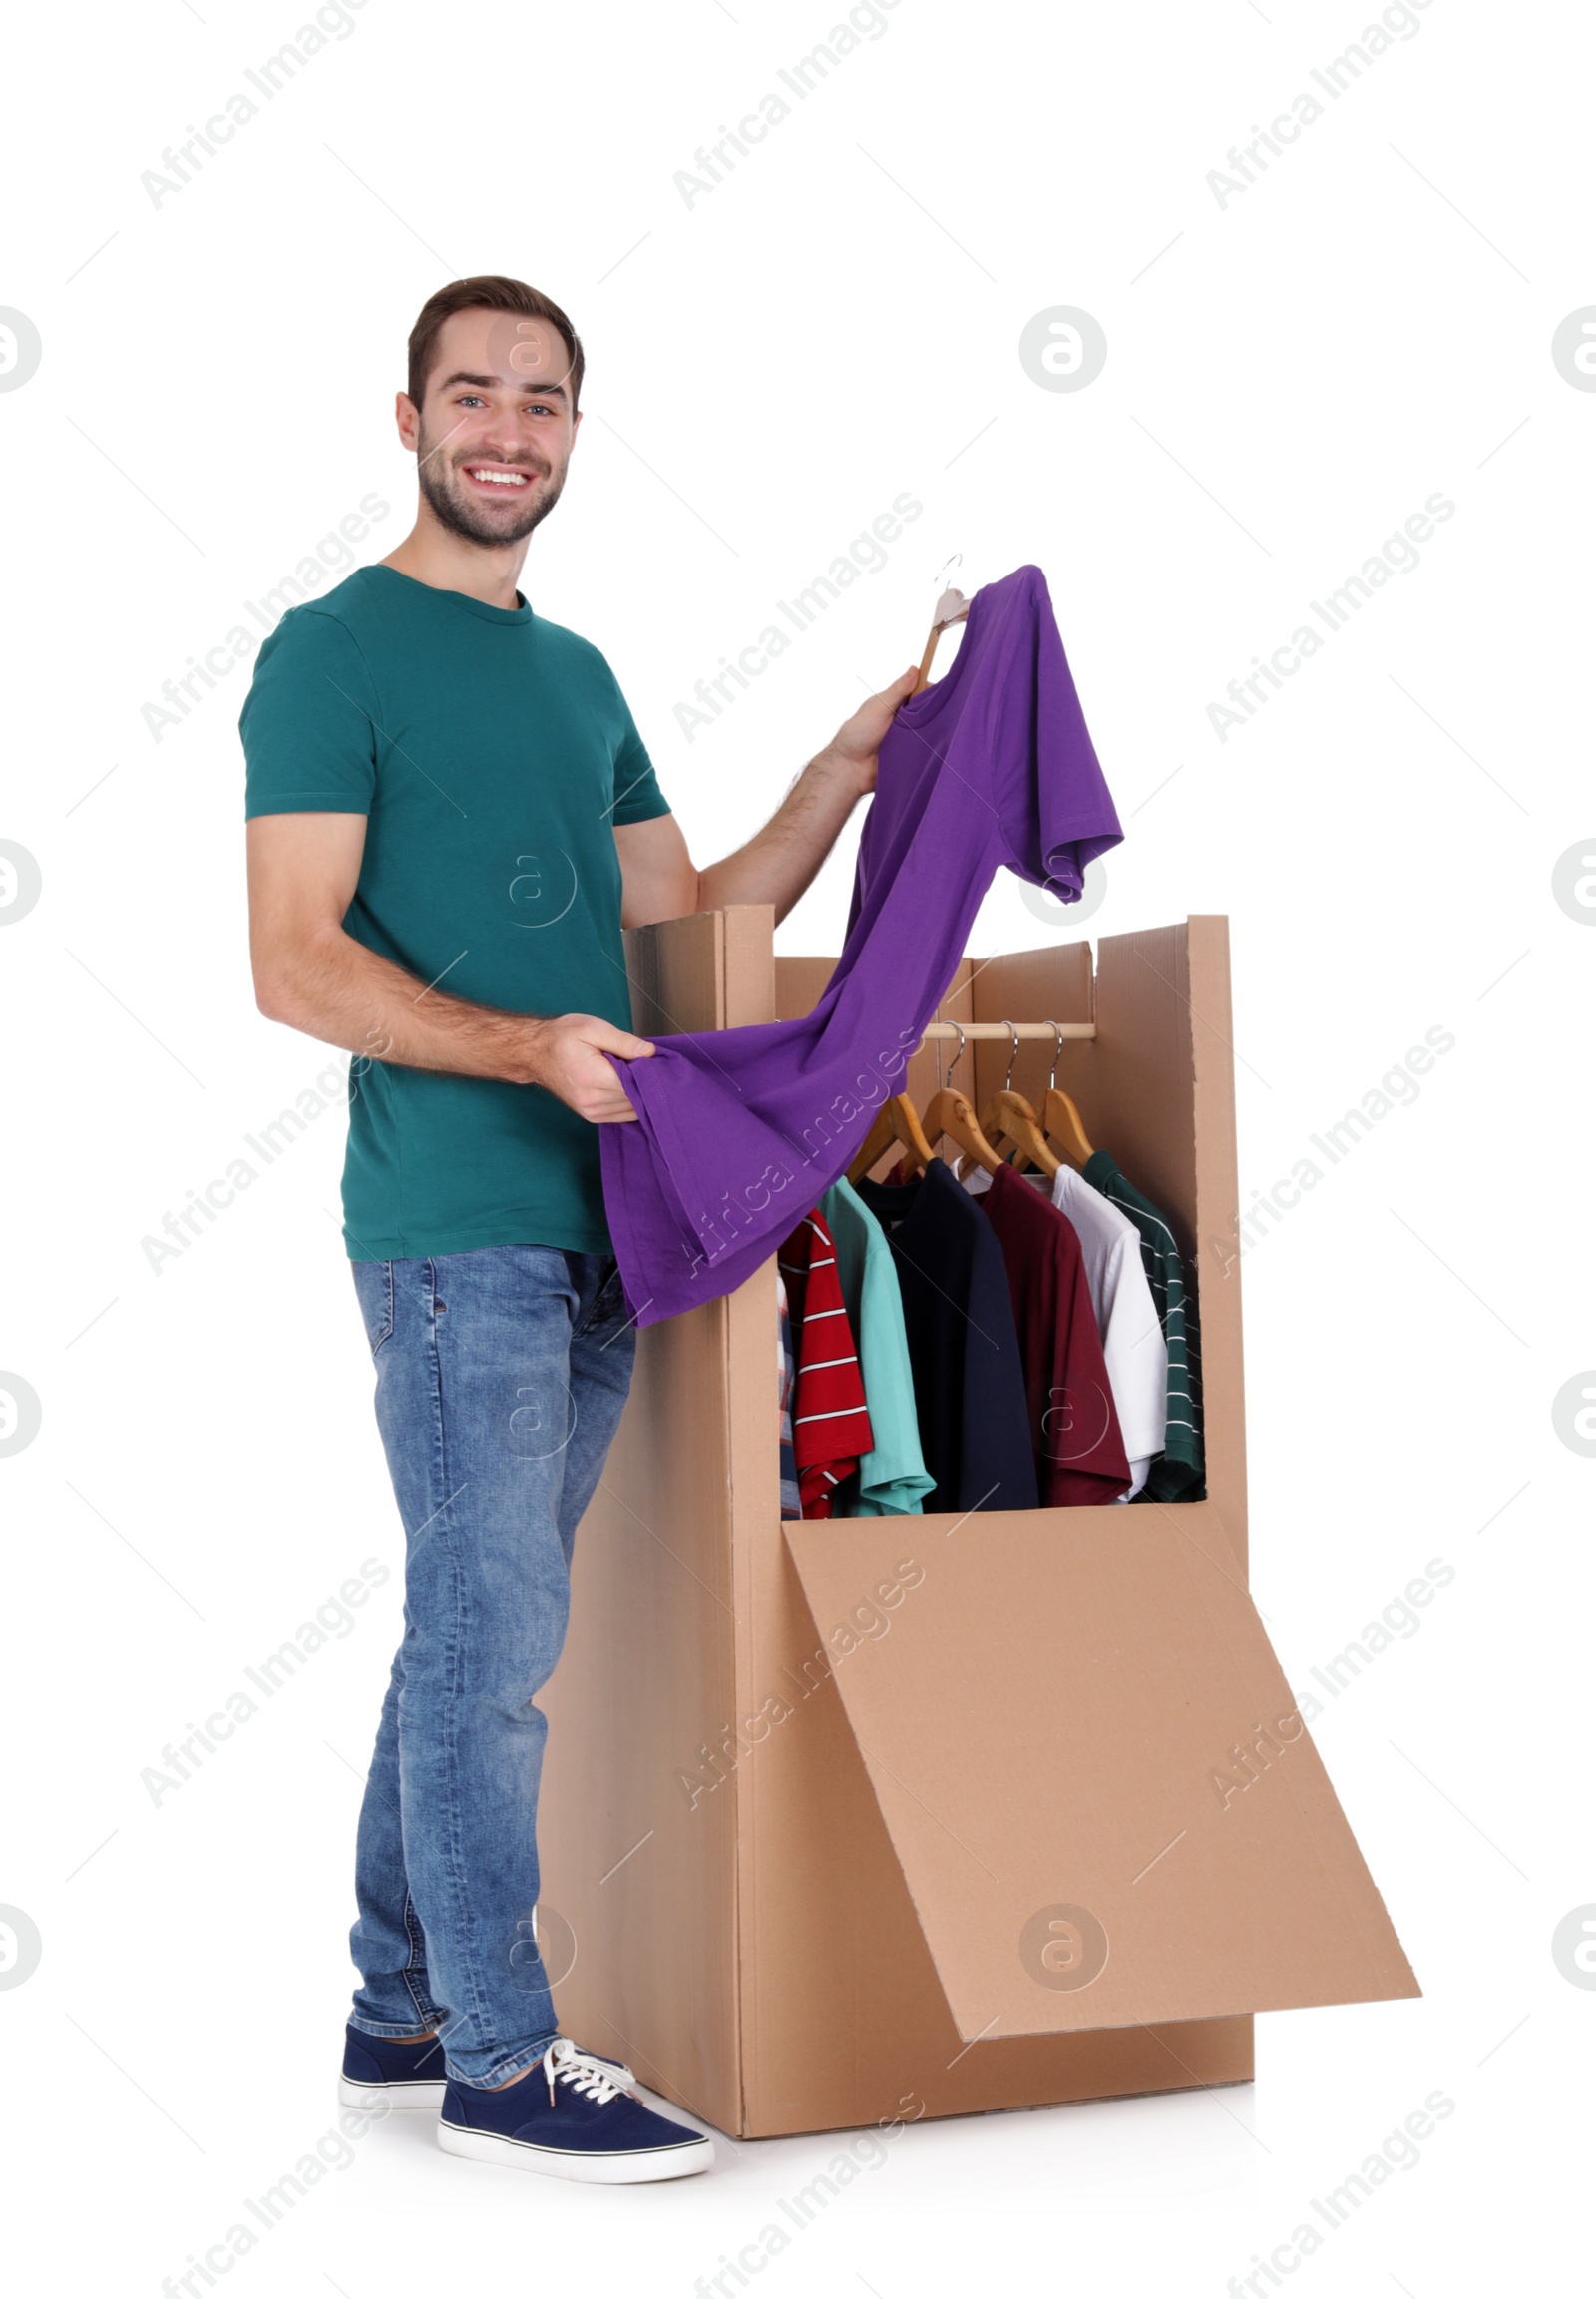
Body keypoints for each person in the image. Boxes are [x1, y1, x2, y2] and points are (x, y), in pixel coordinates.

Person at [240, 275, 915, 2183]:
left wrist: (838, 779)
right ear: (407, 419)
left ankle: (396, 2006)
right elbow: (294, 964)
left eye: (541, 402)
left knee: (469, 1626)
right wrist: (521, 1049)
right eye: (473, 396)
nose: (507, 431)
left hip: (611, 1219)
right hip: (457, 1227)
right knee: (492, 1640)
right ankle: (500, 2059)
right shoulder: (329, 653)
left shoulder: (579, 675)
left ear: (571, 435)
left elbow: (678, 922)